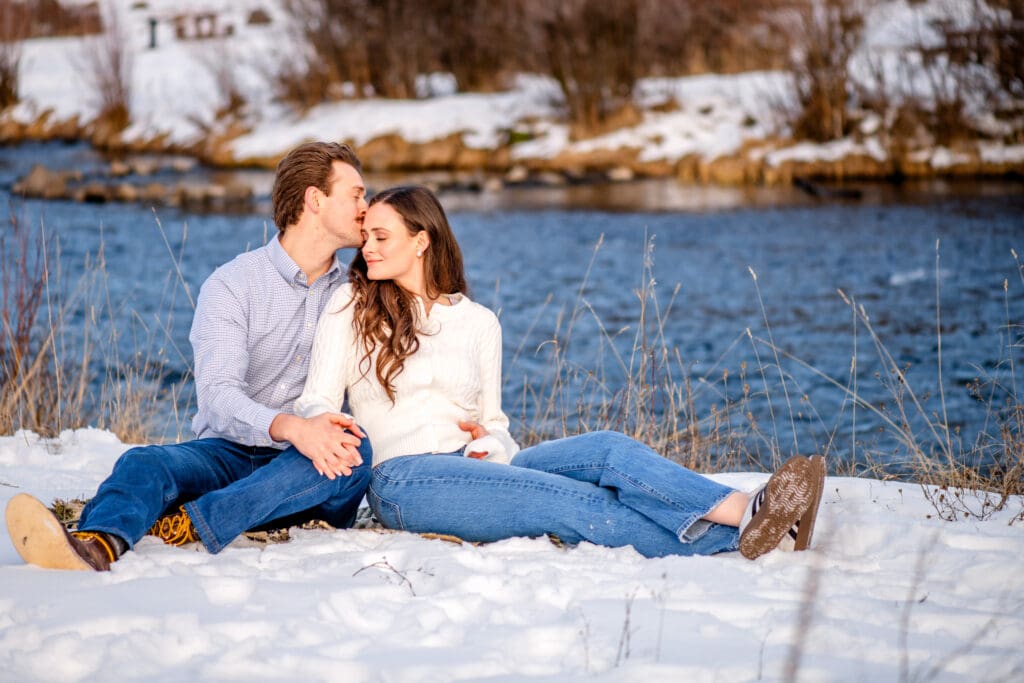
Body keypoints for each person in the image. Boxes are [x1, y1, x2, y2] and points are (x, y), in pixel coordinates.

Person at [294, 185, 825, 560]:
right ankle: (735, 540)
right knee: (572, 502)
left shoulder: (479, 322)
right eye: (367, 238)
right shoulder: (351, 305)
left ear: (421, 240)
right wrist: (331, 432)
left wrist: (491, 444)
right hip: (404, 480)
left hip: (484, 467)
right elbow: (316, 400)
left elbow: (495, 423)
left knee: (609, 450)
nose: (367, 248)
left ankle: (751, 510)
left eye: (381, 237)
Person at [6, 142, 374, 571]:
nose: (366, 207)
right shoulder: (234, 284)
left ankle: (192, 523)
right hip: (227, 456)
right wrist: (292, 427)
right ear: (315, 199)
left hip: (307, 474)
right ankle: (95, 546)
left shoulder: (362, 292)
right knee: (145, 462)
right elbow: (218, 395)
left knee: (355, 453)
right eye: (356, 194)